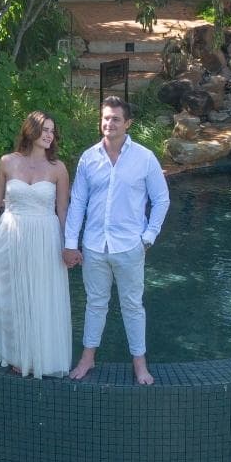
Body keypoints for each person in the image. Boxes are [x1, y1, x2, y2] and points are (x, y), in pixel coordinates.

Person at [0, 110, 72, 377]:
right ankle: (18, 355)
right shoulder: (7, 162)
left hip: (45, 237)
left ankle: (42, 357)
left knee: (42, 296)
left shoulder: (58, 168)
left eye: (52, 131)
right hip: (11, 235)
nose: (49, 135)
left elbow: (63, 210)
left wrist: (69, 246)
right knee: (12, 294)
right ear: (30, 130)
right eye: (45, 130)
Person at [63, 96, 169, 385]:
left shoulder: (144, 158)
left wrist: (147, 238)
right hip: (94, 246)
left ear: (128, 123)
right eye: (106, 118)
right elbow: (78, 203)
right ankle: (87, 359)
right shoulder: (88, 157)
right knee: (95, 304)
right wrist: (71, 243)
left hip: (129, 247)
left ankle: (140, 364)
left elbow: (161, 199)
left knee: (133, 306)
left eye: (116, 119)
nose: (109, 123)